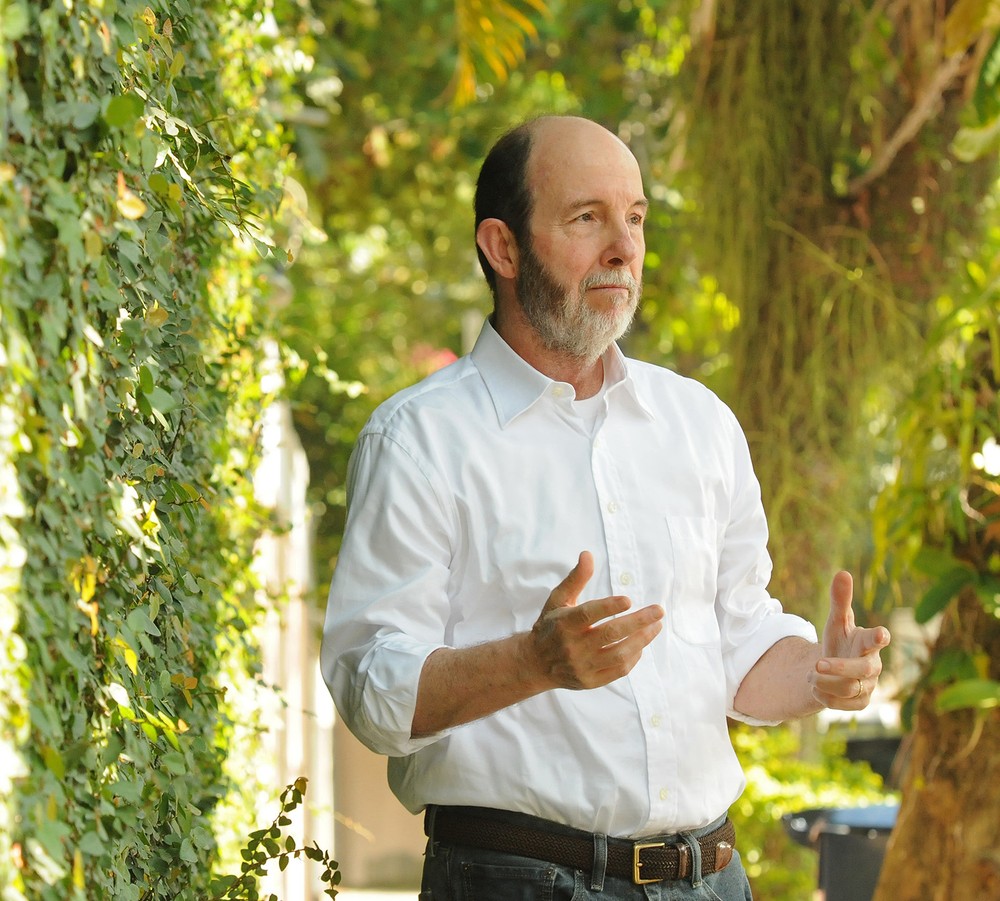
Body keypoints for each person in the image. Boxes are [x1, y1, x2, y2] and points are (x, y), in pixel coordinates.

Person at [320, 115, 891, 900]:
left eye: (635, 217)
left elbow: (737, 640)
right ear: (504, 247)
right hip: (516, 879)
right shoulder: (419, 439)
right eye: (587, 219)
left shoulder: (700, 424)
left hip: (713, 878)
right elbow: (369, 688)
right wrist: (532, 663)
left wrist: (821, 674)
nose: (624, 247)